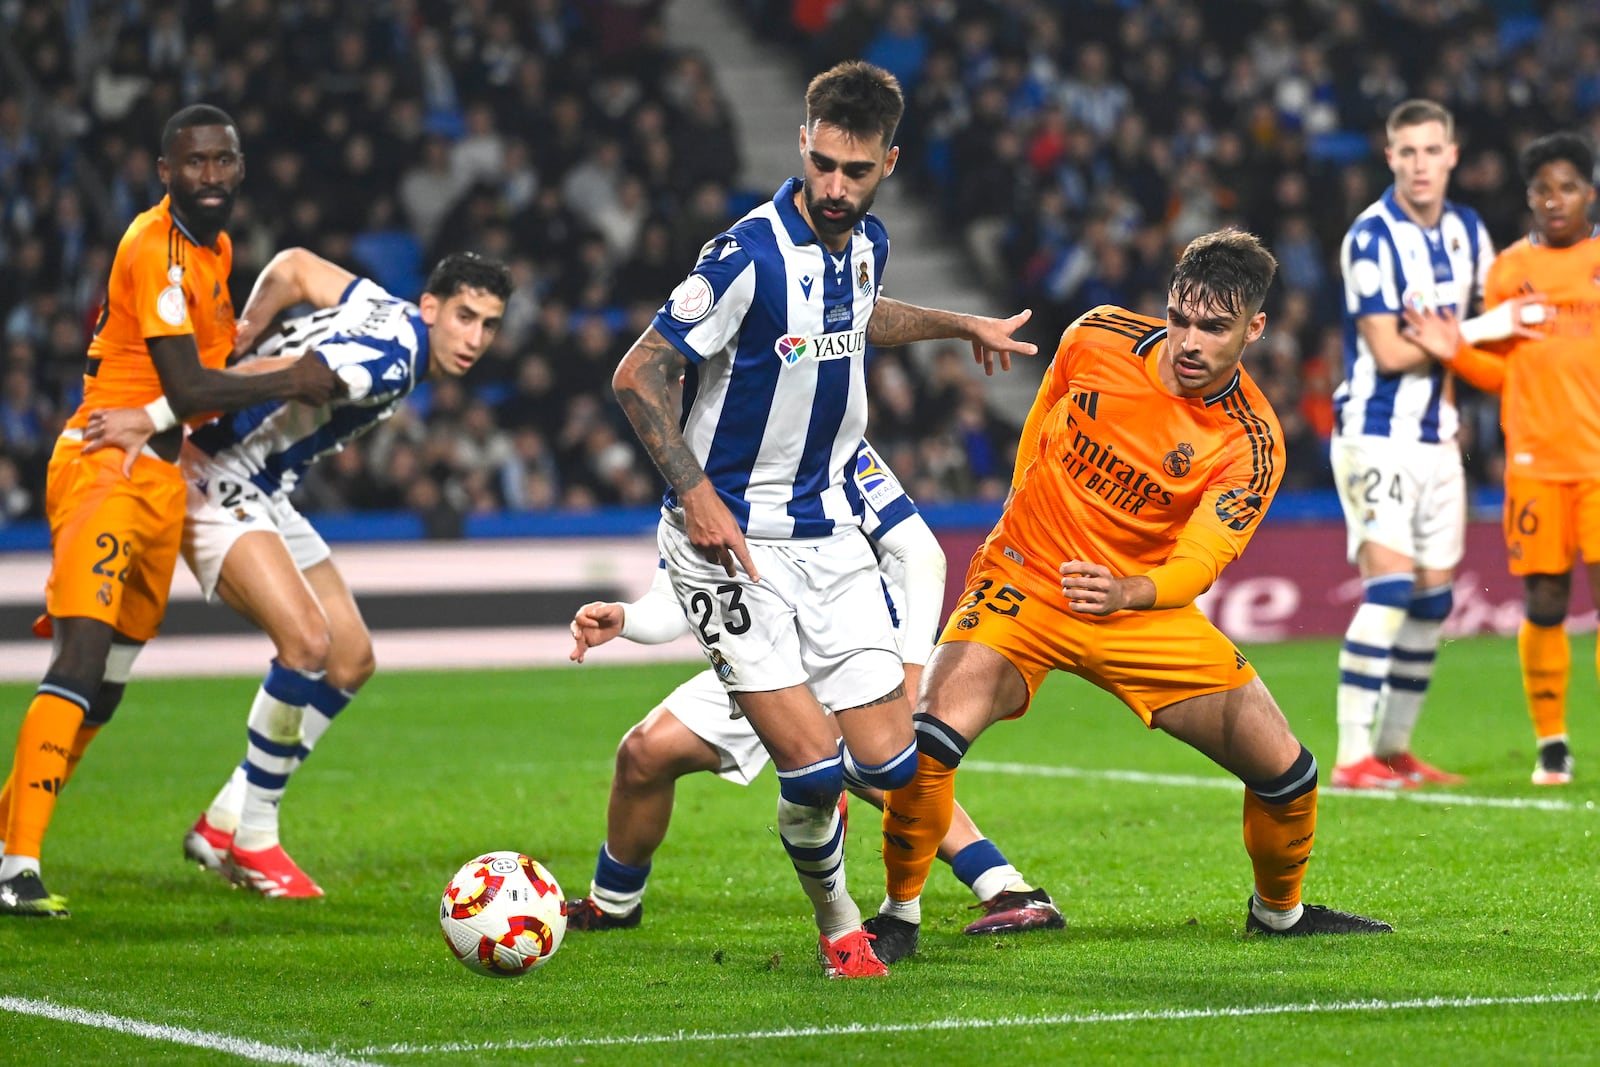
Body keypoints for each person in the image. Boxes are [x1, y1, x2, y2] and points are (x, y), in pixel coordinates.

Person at [610, 60, 1036, 979]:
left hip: (832, 536)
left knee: (890, 769)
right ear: (802, 143)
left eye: (858, 170)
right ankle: (843, 928)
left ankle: (952, 877)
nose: (837, 188)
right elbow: (638, 373)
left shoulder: (865, 242)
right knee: (809, 770)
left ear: (889, 160)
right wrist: (696, 493)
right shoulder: (743, 256)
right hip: (731, 549)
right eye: (825, 165)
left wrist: (963, 325)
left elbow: (865, 317)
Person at [869, 229, 1393, 966]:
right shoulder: (1097, 335)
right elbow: (1043, 425)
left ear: (1255, 330)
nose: (1188, 339)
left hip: (1141, 610)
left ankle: (1280, 913)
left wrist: (1131, 590)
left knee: (1289, 774)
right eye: (1180, 315)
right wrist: (1021, 524)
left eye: (1213, 327)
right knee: (929, 742)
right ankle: (898, 916)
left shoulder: (1251, 441)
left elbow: (1200, 561)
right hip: (1026, 580)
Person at [0, 105, 341, 918]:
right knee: (79, 661)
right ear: (165, 171)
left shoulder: (213, 251)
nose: (212, 176)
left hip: (159, 485)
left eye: (225, 160)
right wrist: (293, 373)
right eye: (195, 163)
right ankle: (16, 864)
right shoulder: (152, 246)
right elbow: (188, 389)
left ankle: (7, 830)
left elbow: (207, 374)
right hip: (105, 472)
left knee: (109, 685)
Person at [88, 246, 513, 896]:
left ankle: (227, 813)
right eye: (464, 316)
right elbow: (286, 373)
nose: (475, 338)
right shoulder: (391, 361)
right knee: (307, 644)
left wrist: (248, 321)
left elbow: (291, 266)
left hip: (264, 485)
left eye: (488, 324)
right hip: (214, 471)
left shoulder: (383, 309)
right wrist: (154, 418)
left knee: (349, 658)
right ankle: (255, 838)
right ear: (430, 307)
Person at [566, 441, 1063, 936]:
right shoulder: (693, 468)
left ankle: (1005, 886)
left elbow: (921, 553)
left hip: (847, 642)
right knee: (645, 753)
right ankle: (613, 904)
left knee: (860, 761)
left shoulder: (834, 444)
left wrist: (912, 665)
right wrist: (625, 618)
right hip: (758, 653)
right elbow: (674, 601)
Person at [1401, 132, 1597, 786]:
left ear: (1590, 192)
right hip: (1536, 464)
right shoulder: (1509, 270)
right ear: (1530, 198)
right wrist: (1452, 349)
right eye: (1543, 188)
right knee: (1545, 600)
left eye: (1567, 185)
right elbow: (1499, 373)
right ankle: (1551, 742)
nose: (1555, 198)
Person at [1327, 99, 1493, 791]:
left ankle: (1395, 748)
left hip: (1438, 440)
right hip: (1376, 435)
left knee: (1431, 601)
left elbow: (1482, 327)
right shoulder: (1371, 238)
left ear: (1452, 155)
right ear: (1390, 157)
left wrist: (1452, 343)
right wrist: (1453, 343)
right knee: (1391, 587)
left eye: (1433, 151)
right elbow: (1391, 349)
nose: (1421, 164)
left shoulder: (1468, 230)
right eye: (1408, 152)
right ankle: (1350, 755)